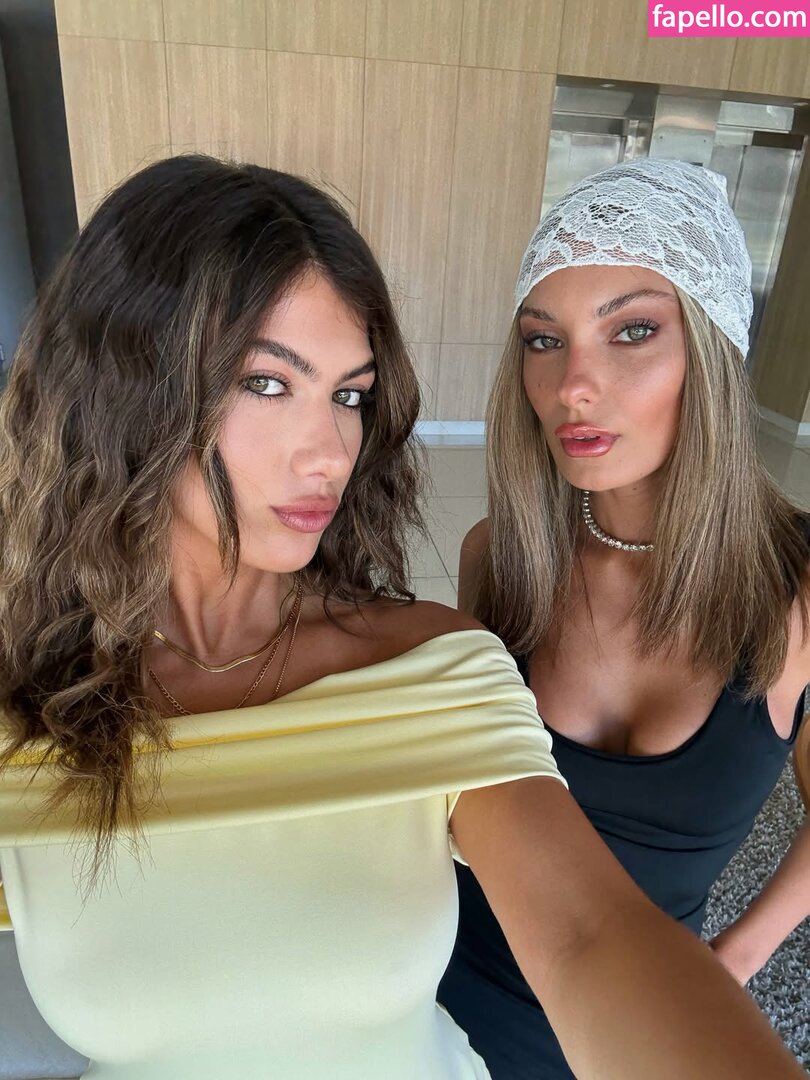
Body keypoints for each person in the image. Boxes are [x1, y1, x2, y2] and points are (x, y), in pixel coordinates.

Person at [0, 156, 803, 1080]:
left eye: (349, 395)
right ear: (119, 386)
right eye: (268, 382)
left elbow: (587, 933)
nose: (330, 452)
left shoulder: (429, 666)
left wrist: (739, 954)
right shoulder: (28, 706)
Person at [438, 158, 810, 1079]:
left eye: (632, 331)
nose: (573, 385)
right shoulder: (501, 558)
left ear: (711, 351)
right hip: (445, 995)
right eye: (543, 340)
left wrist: (740, 956)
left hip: (645, 1015)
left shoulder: (795, 584)